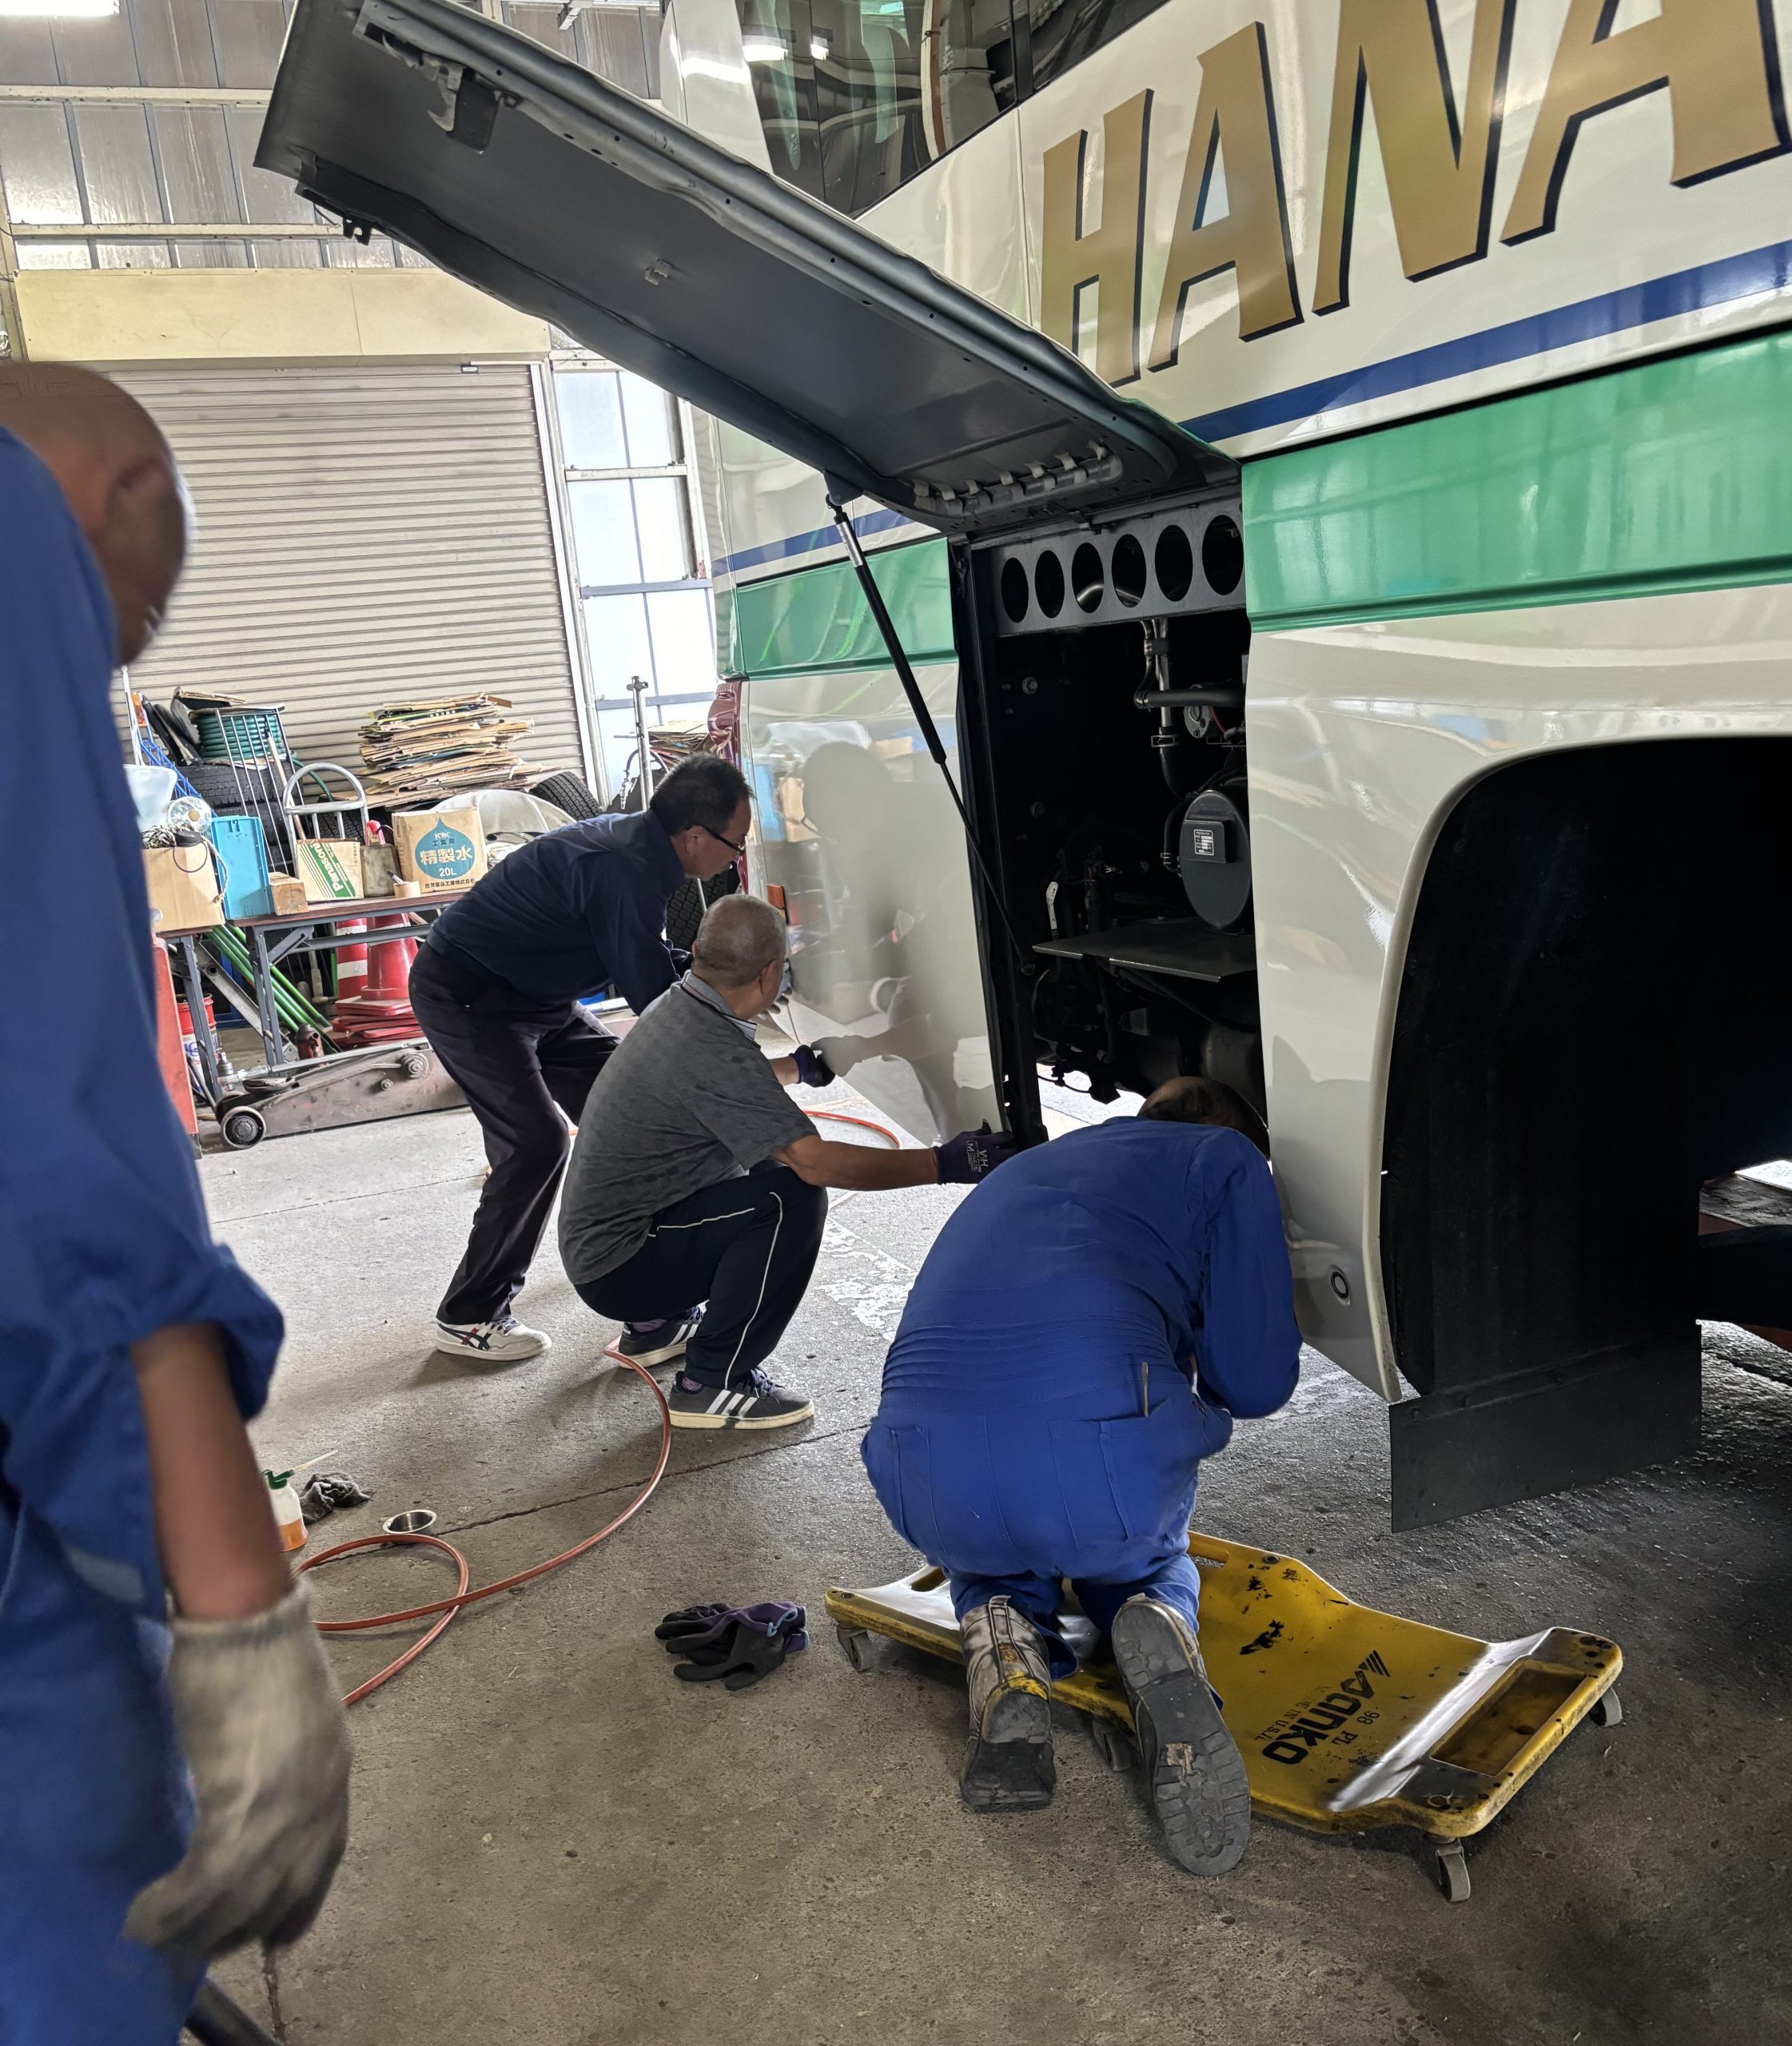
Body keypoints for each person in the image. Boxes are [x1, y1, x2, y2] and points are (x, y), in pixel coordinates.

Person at [0, 367, 350, 2042]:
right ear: (124, 488)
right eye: (111, 633)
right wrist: (237, 1614)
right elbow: (55, 1121)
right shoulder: (12, 527)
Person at [862, 1077, 1300, 1874]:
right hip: (1096, 1480)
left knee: (988, 1556)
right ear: (1238, 1135)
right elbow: (1255, 1381)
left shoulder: (1039, 1164)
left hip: (919, 1471)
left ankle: (1003, 1642)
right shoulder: (1226, 1159)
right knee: (1144, 1554)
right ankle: (1155, 1615)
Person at [559, 894, 1015, 1430]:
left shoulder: (681, 1006)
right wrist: (944, 1163)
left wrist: (802, 1066)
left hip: (608, 1246)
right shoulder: (711, 1044)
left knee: (760, 1171)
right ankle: (713, 1380)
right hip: (620, 1268)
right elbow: (816, 1163)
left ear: (701, 951)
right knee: (789, 1194)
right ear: (770, 973)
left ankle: (656, 1325)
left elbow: (717, 1085)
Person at [411, 752, 755, 1363]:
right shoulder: (624, 868)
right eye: (737, 844)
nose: (738, 858)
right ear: (695, 837)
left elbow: (652, 963)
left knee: (636, 1118)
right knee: (536, 1144)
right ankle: (469, 1315)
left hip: (537, 995)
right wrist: (742, 1046)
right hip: (470, 995)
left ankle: (652, 1312)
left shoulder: (642, 852)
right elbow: (659, 1005)